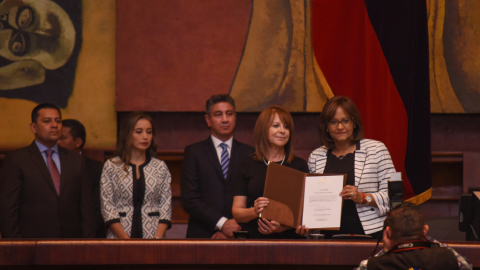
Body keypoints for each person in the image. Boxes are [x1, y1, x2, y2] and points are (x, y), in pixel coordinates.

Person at [297, 96, 395, 239]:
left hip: (370, 234)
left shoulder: (376, 149)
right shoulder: (316, 156)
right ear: (326, 126)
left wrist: (362, 197)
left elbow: (394, 196)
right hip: (327, 238)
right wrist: (306, 224)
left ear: (354, 122)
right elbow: (309, 201)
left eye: (345, 120)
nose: (340, 127)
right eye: (333, 122)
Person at [0, 103, 95, 238]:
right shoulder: (17, 160)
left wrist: (87, 244)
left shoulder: (76, 160)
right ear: (33, 127)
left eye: (58, 121)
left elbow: (87, 208)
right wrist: (16, 246)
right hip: (31, 244)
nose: (54, 125)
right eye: (47, 121)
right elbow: (8, 209)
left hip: (71, 243)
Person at [181, 94, 254, 239]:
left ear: (235, 117)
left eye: (229, 114)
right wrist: (222, 224)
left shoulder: (250, 153)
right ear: (208, 120)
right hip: (203, 234)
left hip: (240, 235)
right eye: (218, 115)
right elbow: (189, 199)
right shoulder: (194, 152)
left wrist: (233, 227)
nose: (225, 119)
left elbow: (254, 198)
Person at [232, 105, 308, 239]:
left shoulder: (299, 165)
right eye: (276, 125)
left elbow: (305, 212)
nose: (282, 131)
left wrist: (282, 228)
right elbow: (237, 212)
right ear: (263, 130)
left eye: (286, 127)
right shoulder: (246, 164)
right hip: (254, 240)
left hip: (290, 241)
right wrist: (255, 211)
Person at [100, 112, 172, 239]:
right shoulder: (111, 166)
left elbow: (166, 206)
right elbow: (108, 207)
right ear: (128, 135)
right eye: (139, 132)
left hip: (153, 238)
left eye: (149, 132)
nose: (145, 137)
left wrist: (157, 239)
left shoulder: (160, 167)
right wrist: (126, 241)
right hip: (119, 238)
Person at [355, 202, 472, 270]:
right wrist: (430, 241)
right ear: (425, 231)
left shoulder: (374, 265)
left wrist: (385, 250)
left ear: (388, 233)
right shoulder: (447, 257)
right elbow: (467, 265)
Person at [58, 119, 106, 238]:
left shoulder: (96, 169)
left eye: (62, 138)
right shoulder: (48, 166)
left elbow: (99, 210)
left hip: (85, 237)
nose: (57, 142)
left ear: (78, 142)